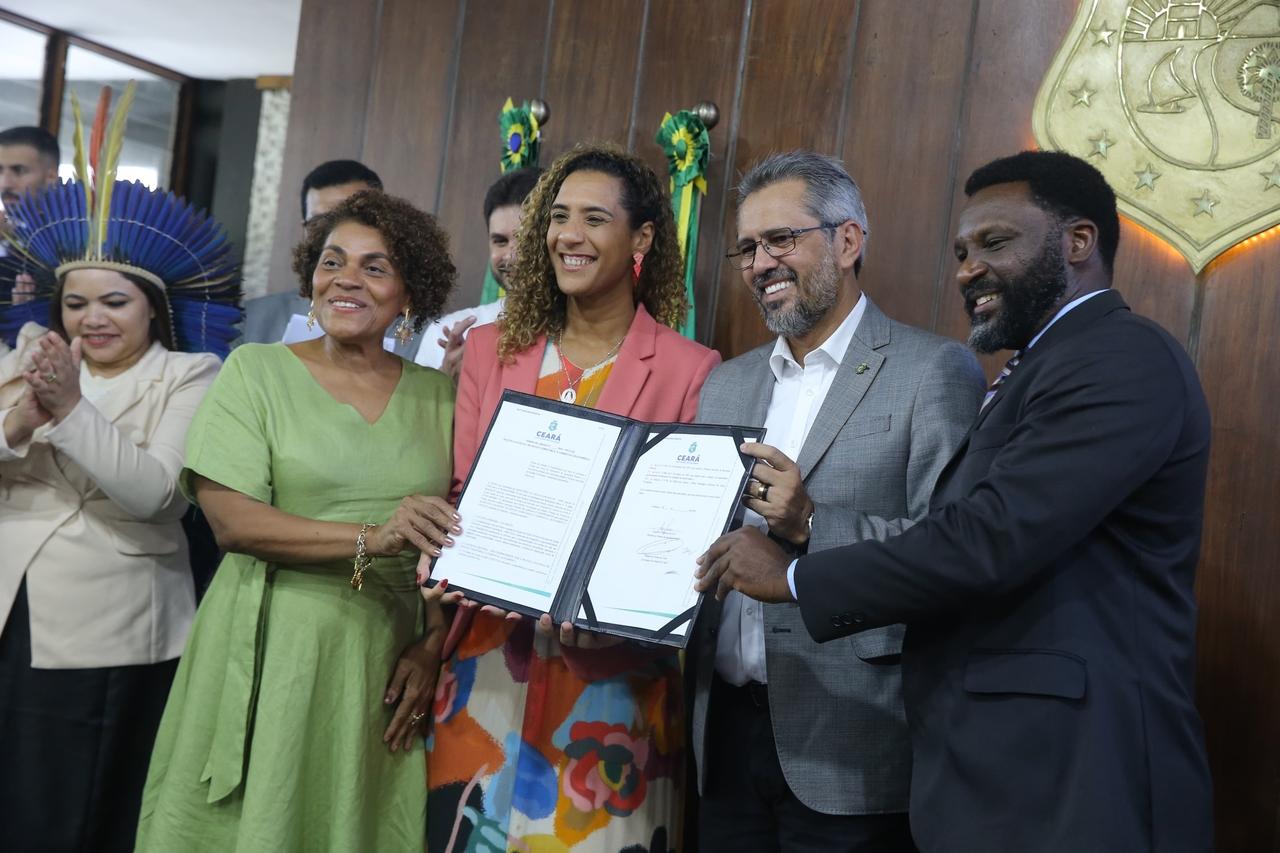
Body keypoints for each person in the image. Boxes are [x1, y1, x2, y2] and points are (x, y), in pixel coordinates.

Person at [695, 150, 1214, 852]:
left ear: (1078, 242)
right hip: (978, 764)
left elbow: (982, 538)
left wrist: (792, 571)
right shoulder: (1040, 368)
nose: (969, 269)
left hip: (1073, 763)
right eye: (962, 250)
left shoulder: (1120, 357)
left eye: (995, 243)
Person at [136, 190, 459, 851]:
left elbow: (461, 538)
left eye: (375, 266)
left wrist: (432, 645)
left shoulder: (442, 396)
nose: (346, 279)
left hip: (382, 654)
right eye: (333, 260)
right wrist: (375, 537)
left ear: (410, 292)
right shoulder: (256, 373)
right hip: (271, 638)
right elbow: (232, 523)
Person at [424, 144, 720, 852]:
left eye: (594, 218)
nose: (568, 235)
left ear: (641, 238)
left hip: (612, 679)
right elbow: (465, 489)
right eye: (557, 218)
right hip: (489, 660)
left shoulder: (691, 368)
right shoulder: (493, 349)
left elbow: (679, 526)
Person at [690, 152, 984, 852]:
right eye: (748, 248)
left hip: (854, 736)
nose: (762, 262)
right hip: (723, 730)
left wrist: (811, 522)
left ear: (848, 241)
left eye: (782, 239)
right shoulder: (725, 386)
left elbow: (955, 551)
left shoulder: (930, 371)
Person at [0, 98, 240, 852]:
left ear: (153, 306)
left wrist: (70, 412)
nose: (91, 318)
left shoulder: (191, 372)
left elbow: (159, 494)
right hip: (14, 605)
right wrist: (18, 424)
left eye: (114, 301)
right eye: (75, 302)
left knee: (73, 803)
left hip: (112, 621)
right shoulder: (31, 349)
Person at [239, 159, 424, 356]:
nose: (337, 231)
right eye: (320, 223)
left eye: (354, 217)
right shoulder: (253, 319)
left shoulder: (425, 335)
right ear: (305, 230)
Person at [415, 167, 543, 377]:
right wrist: (447, 384)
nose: (512, 256)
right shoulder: (446, 333)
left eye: (526, 239)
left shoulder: (588, 336)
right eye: (500, 241)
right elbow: (419, 411)